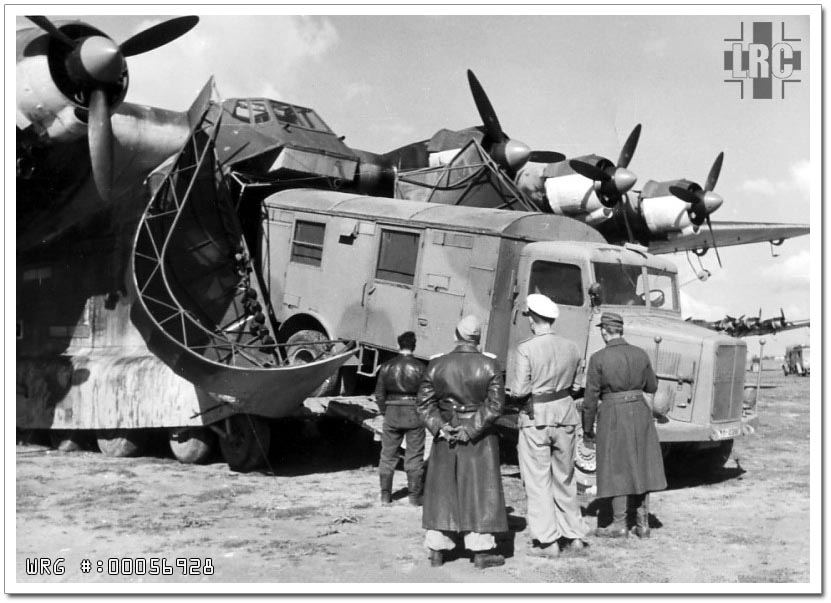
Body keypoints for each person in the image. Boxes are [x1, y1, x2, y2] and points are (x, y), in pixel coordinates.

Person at [416, 315, 508, 569]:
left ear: (456, 335)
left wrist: (441, 428)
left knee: (442, 489)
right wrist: (470, 429)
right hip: (479, 436)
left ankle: (436, 547)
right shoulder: (490, 366)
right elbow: (496, 406)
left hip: (447, 432)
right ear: (477, 339)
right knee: (480, 490)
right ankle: (480, 550)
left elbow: (424, 405)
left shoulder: (436, 365)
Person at [507, 294, 589, 557]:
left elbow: (519, 390)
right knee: (565, 478)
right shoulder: (572, 347)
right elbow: (577, 386)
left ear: (533, 318)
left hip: (536, 419)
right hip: (565, 416)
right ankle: (574, 536)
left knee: (537, 481)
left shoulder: (526, 348)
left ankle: (548, 542)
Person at [582, 312, 667, 538]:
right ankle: (643, 524)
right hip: (640, 412)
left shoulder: (598, 358)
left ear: (604, 331)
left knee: (617, 467)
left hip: (613, 413)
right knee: (641, 466)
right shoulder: (640, 354)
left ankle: (619, 524)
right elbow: (652, 386)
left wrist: (587, 429)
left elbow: (590, 399)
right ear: (620, 330)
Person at [374, 331, 427, 506]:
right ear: (414, 346)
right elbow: (426, 395)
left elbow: (379, 394)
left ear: (398, 345)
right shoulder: (421, 368)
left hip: (392, 412)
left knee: (388, 455)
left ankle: (385, 496)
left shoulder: (387, 366)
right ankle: (414, 497)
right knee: (414, 456)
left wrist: (384, 411)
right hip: (414, 414)